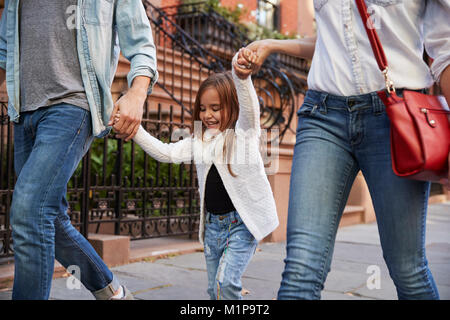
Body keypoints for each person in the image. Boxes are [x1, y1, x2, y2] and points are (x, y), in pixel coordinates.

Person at [239, 0, 450, 300]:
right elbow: (330, 41)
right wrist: (271, 44)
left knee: (407, 269)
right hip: (323, 115)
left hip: (397, 118)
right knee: (301, 268)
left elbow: (445, 50)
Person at [0, 0, 158, 300]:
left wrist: (137, 93)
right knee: (49, 217)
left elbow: (140, 43)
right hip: (24, 111)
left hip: (73, 105)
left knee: (30, 211)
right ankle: (114, 294)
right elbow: (5, 48)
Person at [125, 48, 279, 300]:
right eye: (203, 108)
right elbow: (167, 153)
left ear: (231, 107)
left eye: (216, 108)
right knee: (213, 291)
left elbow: (250, 110)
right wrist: (136, 129)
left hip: (241, 226)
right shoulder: (200, 141)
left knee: (225, 282)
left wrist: (241, 76)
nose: (208, 115)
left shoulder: (244, 135)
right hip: (213, 228)